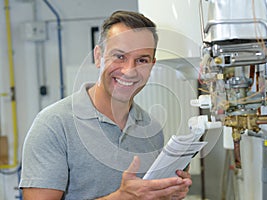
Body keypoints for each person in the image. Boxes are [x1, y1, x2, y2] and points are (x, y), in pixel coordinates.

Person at [19, 10, 192, 200]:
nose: (129, 71)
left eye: (142, 60)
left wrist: (167, 192)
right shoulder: (53, 125)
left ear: (152, 65)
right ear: (98, 56)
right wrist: (122, 197)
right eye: (119, 56)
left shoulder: (152, 130)